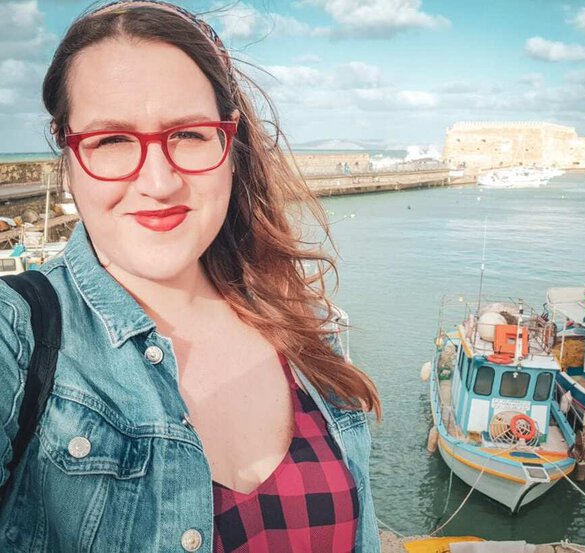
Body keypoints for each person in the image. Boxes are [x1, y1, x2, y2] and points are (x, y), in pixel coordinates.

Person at [0, 2, 381, 552]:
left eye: (189, 134)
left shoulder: (303, 331)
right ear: (68, 157)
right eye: (111, 140)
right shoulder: (21, 335)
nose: (159, 181)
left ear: (230, 146)